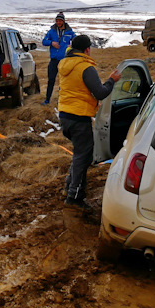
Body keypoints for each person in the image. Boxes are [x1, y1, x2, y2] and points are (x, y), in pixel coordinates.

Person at [57, 35, 121, 209]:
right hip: (79, 118)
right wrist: (111, 81)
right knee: (83, 157)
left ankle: (69, 188)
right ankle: (74, 197)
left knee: (80, 154)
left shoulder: (65, 64)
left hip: (65, 116)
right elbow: (100, 93)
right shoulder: (86, 67)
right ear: (87, 50)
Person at [41, 12, 75, 105]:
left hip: (64, 60)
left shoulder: (69, 32)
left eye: (60, 20)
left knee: (63, 82)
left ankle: (62, 100)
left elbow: (76, 41)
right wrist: (51, 43)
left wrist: (72, 45)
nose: (58, 22)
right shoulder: (51, 31)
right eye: (57, 20)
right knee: (51, 80)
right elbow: (44, 41)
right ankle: (47, 100)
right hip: (53, 60)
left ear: (63, 21)